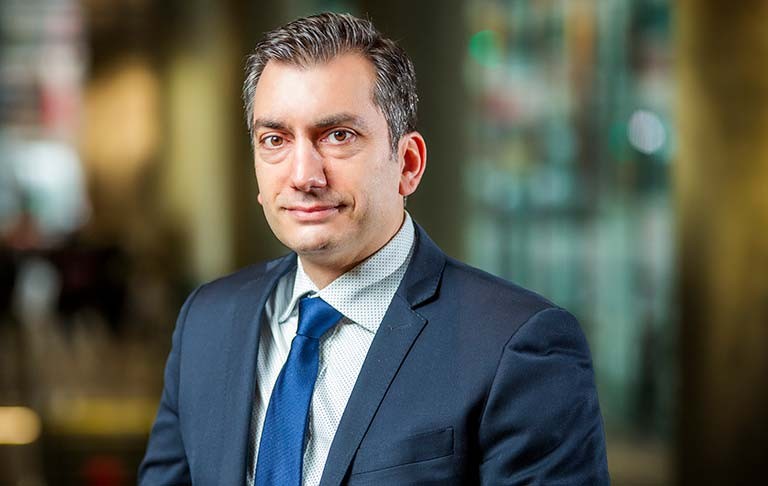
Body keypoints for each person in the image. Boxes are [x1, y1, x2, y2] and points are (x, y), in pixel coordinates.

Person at [139, 12, 609, 485]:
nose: (303, 175)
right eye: (275, 140)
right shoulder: (208, 320)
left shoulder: (518, 347)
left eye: (338, 136)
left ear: (407, 164)